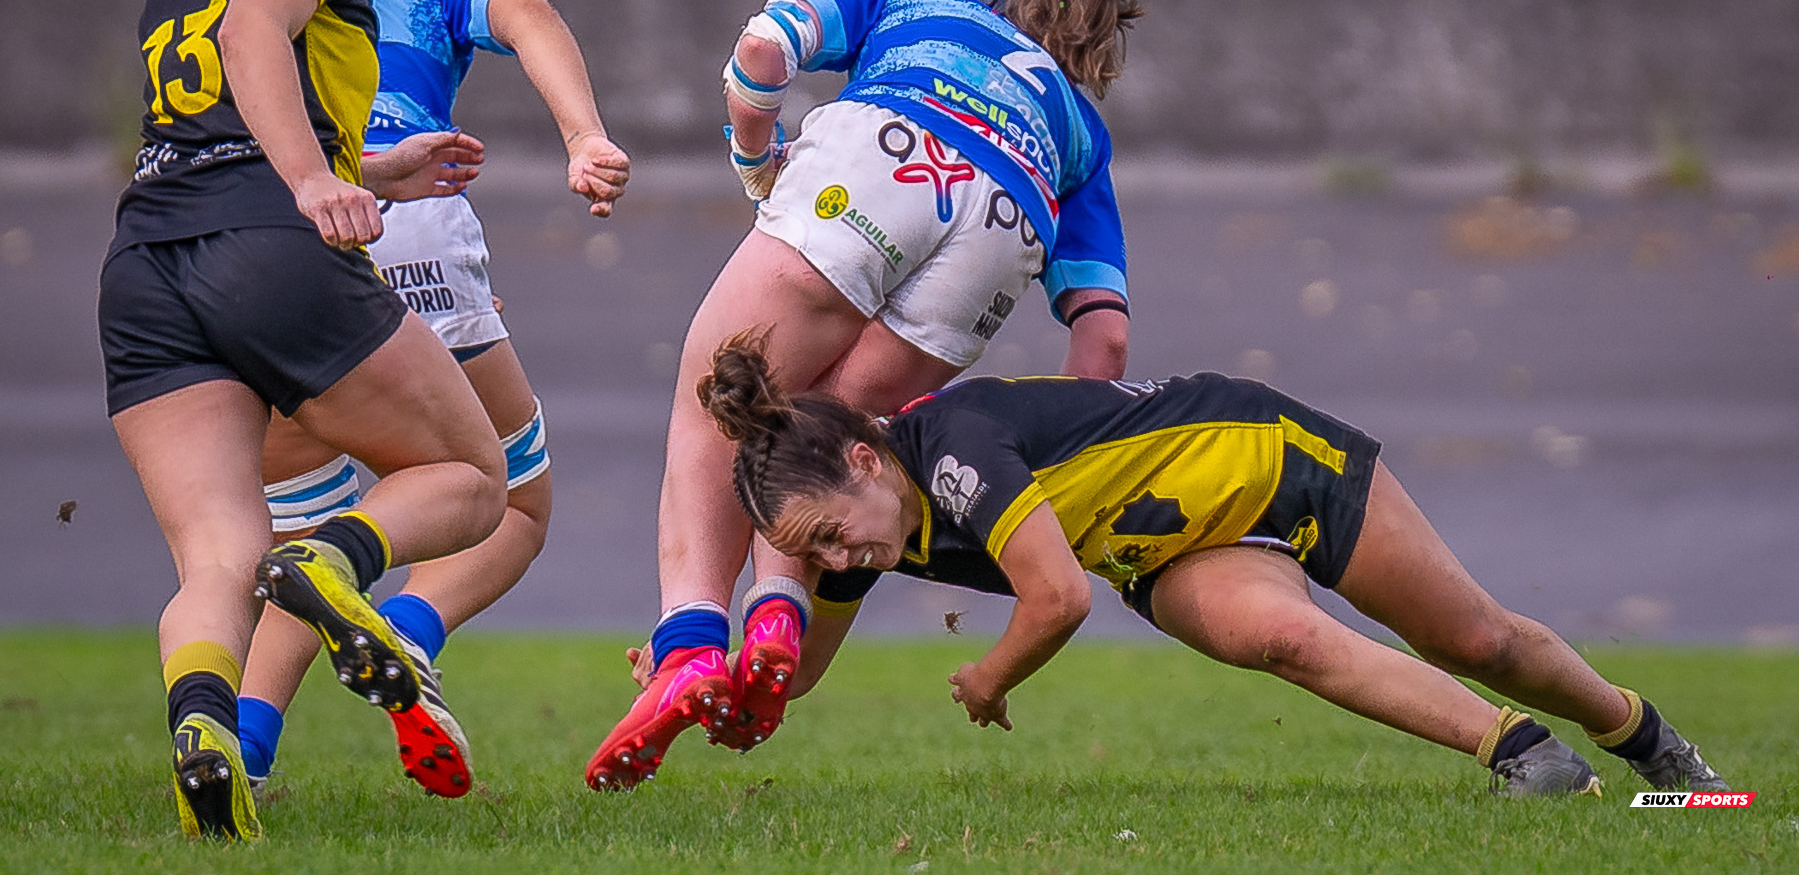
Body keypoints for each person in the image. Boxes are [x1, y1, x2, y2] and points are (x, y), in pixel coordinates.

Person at [693, 333, 1729, 798]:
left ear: (863, 459)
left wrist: (990, 674)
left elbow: (1057, 599)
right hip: (1165, 546)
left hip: (1269, 455)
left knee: (1476, 636)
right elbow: (800, 672)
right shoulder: (871, 531)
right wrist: (721, 692)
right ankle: (1529, 759)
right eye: (813, 554)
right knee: (1277, 637)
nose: (835, 559)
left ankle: (1644, 738)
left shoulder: (954, 446)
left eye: (829, 533)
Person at [586, 0, 1143, 789]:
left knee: (716, 396)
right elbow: (1103, 338)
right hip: (1009, 215)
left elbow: (761, 53)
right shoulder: (1080, 131)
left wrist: (755, 157)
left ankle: (689, 647)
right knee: (822, 434)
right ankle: (777, 614)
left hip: (887, 151)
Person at [96, 0, 509, 840]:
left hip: (145, 260)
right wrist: (313, 181)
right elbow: (252, 37)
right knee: (474, 475)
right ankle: (330, 564)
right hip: (263, 245)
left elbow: (210, 116)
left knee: (219, 550)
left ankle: (205, 728)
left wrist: (371, 167)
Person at [230, 0, 632, 799]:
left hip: (259, 233)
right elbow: (530, 16)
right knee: (516, 496)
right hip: (402, 220)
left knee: (302, 541)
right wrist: (583, 134)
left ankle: (245, 745)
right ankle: (409, 629)